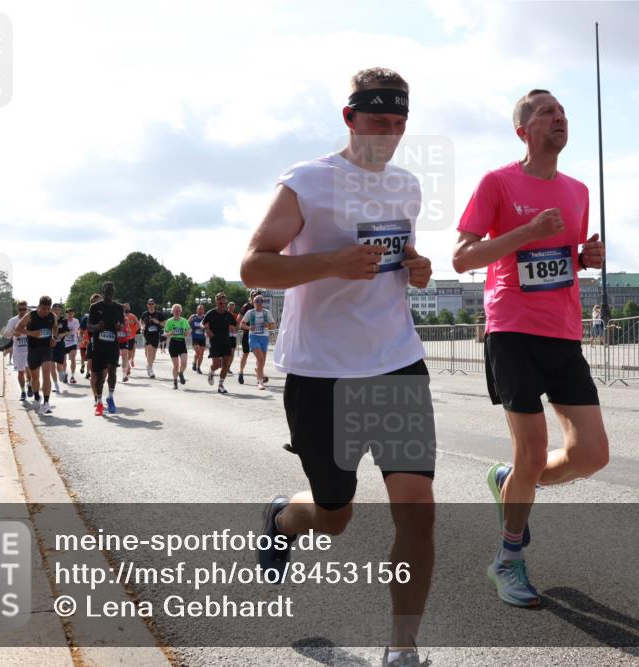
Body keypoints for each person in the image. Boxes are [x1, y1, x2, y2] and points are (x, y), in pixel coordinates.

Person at [240, 67, 435, 667]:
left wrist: (416, 265)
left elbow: (396, 255)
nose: (391, 132)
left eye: (400, 122)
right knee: (335, 517)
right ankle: (283, 517)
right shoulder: (307, 182)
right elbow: (254, 267)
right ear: (350, 118)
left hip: (396, 363)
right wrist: (328, 263)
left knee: (418, 514)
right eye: (379, 120)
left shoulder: (405, 186)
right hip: (321, 372)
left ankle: (402, 650)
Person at [451, 89, 609, 608]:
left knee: (592, 454)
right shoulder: (497, 182)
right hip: (512, 329)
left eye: (563, 111)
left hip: (562, 331)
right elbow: (461, 259)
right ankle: (508, 559)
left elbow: (559, 259)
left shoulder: (579, 191)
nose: (559, 117)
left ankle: (512, 482)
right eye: (546, 112)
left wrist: (585, 258)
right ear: (523, 130)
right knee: (533, 448)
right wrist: (524, 231)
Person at [14, 296, 58, 414]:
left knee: (46, 373)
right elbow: (18, 328)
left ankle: (47, 403)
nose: (45, 311)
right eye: (43, 308)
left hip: (46, 348)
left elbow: (55, 327)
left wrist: (54, 338)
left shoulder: (52, 316)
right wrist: (31, 333)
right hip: (33, 349)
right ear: (38, 306)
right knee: (34, 377)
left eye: (48, 309)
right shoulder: (30, 316)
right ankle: (37, 397)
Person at [88, 282, 125, 416]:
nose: (109, 293)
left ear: (113, 292)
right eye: (107, 291)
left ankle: (110, 397)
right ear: (103, 292)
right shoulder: (95, 307)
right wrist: (97, 326)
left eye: (111, 290)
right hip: (99, 345)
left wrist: (119, 326)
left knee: (112, 370)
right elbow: (89, 327)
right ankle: (99, 402)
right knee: (98, 375)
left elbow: (122, 325)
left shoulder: (118, 308)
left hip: (112, 345)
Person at [202, 293, 237, 394]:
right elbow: (202, 323)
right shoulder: (211, 313)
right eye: (220, 303)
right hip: (215, 341)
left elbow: (235, 324)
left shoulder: (228, 315)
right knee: (217, 364)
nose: (222, 305)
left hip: (226, 341)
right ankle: (211, 372)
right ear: (216, 302)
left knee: (226, 364)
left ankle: (221, 385)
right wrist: (207, 329)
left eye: (224, 303)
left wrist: (233, 328)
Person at [240, 294, 275, 390]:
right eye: (257, 301)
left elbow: (272, 326)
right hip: (254, 337)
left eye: (261, 301)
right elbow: (242, 325)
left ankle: (258, 372)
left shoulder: (267, 312)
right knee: (260, 360)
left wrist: (267, 325)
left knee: (262, 362)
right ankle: (260, 382)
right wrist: (249, 327)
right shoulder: (250, 312)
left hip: (264, 337)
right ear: (253, 302)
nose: (259, 303)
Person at [4, 301, 32, 400]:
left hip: (30, 349)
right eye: (20, 309)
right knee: (21, 371)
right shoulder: (13, 320)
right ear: (17, 309)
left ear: (27, 309)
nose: (22, 311)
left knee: (29, 370)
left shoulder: (31, 319)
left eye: (24, 309)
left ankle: (29, 385)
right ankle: (23, 391)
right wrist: (13, 333)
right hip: (18, 350)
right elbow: (6, 334)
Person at [163, 304, 190, 390]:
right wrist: (170, 333)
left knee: (184, 363)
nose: (177, 312)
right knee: (176, 365)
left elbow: (189, 329)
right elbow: (165, 333)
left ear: (181, 311)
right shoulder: (169, 321)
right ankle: (175, 381)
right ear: (172, 312)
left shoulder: (184, 320)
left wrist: (187, 333)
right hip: (173, 343)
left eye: (178, 310)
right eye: (175, 311)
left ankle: (181, 373)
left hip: (182, 343)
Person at [140, 299, 165, 378]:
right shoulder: (145, 314)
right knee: (150, 350)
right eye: (149, 304)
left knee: (153, 353)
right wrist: (142, 327)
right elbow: (141, 322)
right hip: (147, 334)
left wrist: (157, 322)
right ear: (147, 305)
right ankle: (150, 369)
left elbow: (164, 323)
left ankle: (149, 365)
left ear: (154, 305)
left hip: (156, 334)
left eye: (152, 304)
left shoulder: (159, 314)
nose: (151, 305)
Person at [49, 303, 70, 393]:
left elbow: (67, 331)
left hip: (60, 344)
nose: (56, 310)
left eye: (58, 309)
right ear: (52, 309)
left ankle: (63, 374)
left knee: (59, 365)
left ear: (61, 311)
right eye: (55, 309)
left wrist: (61, 334)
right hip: (50, 345)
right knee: (51, 365)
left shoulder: (64, 320)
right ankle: (56, 385)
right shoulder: (48, 319)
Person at [188, 304, 207, 374]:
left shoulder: (205, 317)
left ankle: (198, 368)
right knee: (198, 352)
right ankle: (194, 362)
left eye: (202, 309)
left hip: (202, 337)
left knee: (201, 354)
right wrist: (189, 329)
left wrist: (205, 328)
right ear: (197, 310)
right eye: (199, 309)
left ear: (203, 310)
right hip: (195, 337)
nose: (200, 310)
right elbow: (186, 324)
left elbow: (209, 325)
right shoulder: (193, 317)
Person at [64, 307, 80, 383]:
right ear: (66, 314)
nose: (70, 315)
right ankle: (64, 375)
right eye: (68, 314)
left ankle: (72, 376)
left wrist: (66, 331)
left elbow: (74, 330)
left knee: (73, 359)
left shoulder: (76, 321)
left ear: (73, 314)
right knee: (63, 360)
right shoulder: (63, 321)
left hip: (73, 342)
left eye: (71, 314)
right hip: (64, 343)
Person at [227, 301, 240, 374]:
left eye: (233, 307)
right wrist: (228, 327)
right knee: (226, 353)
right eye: (230, 307)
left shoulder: (236, 315)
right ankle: (224, 365)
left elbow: (238, 325)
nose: (231, 308)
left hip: (233, 336)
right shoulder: (224, 314)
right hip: (225, 336)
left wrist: (235, 328)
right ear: (228, 307)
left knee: (232, 353)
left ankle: (228, 367)